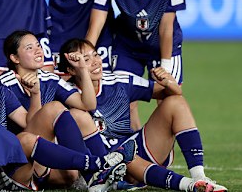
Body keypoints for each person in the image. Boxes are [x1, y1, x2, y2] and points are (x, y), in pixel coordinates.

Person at [0, 31, 134, 192]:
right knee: (24, 140)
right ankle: (97, 165)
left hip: (14, 163)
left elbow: (30, 122)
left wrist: (35, 94)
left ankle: (94, 175)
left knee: (55, 109)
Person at [58, 39, 227, 192]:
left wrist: (168, 82)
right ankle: (191, 186)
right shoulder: (64, 95)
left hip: (134, 148)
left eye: (96, 55)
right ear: (71, 69)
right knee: (122, 155)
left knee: (176, 102)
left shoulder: (119, 81)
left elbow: (173, 93)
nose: (95, 62)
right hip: (104, 165)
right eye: (85, 60)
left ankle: (199, 176)